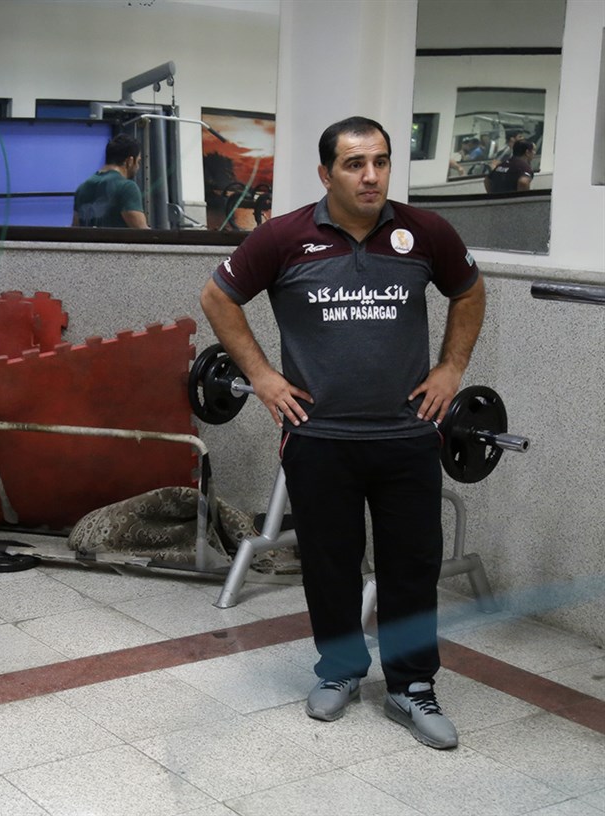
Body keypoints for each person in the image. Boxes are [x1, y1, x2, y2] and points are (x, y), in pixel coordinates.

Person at [200, 116, 485, 750]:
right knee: (329, 564)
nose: (371, 176)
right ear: (326, 173)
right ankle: (340, 670)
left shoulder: (426, 232)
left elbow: (469, 292)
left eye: (380, 162)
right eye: (355, 164)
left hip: (407, 434)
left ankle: (412, 686)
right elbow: (218, 297)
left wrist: (451, 368)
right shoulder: (283, 237)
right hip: (319, 436)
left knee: (412, 566)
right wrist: (263, 377)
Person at [72, 134, 149, 228]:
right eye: (138, 162)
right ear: (130, 161)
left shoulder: (82, 188)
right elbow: (142, 232)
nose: (138, 167)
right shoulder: (127, 187)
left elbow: (75, 229)